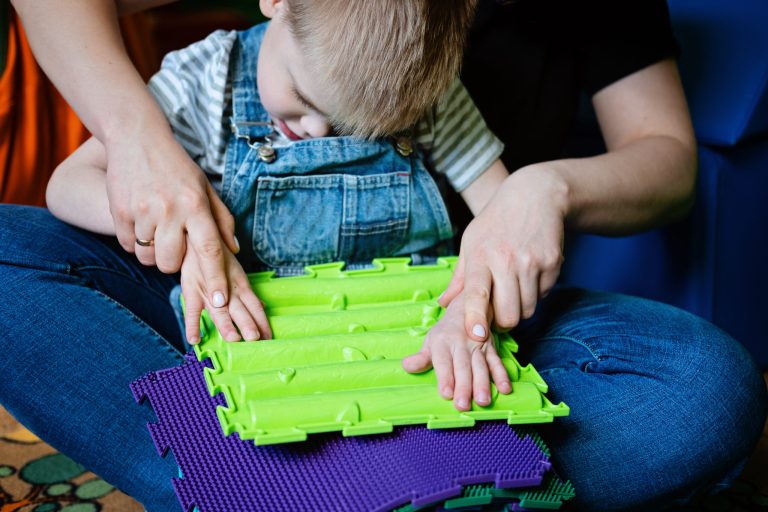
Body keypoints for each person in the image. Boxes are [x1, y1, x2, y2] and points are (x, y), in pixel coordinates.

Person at [2, 1, 765, 511]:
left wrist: (476, 314)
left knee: (708, 387)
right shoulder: (204, 78)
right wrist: (163, 211)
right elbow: (71, 183)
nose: (319, 132)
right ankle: (401, 485)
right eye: (304, 103)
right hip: (235, 349)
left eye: (366, 125)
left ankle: (300, 487)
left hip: (412, 365)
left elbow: (500, 217)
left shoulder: (436, 95)